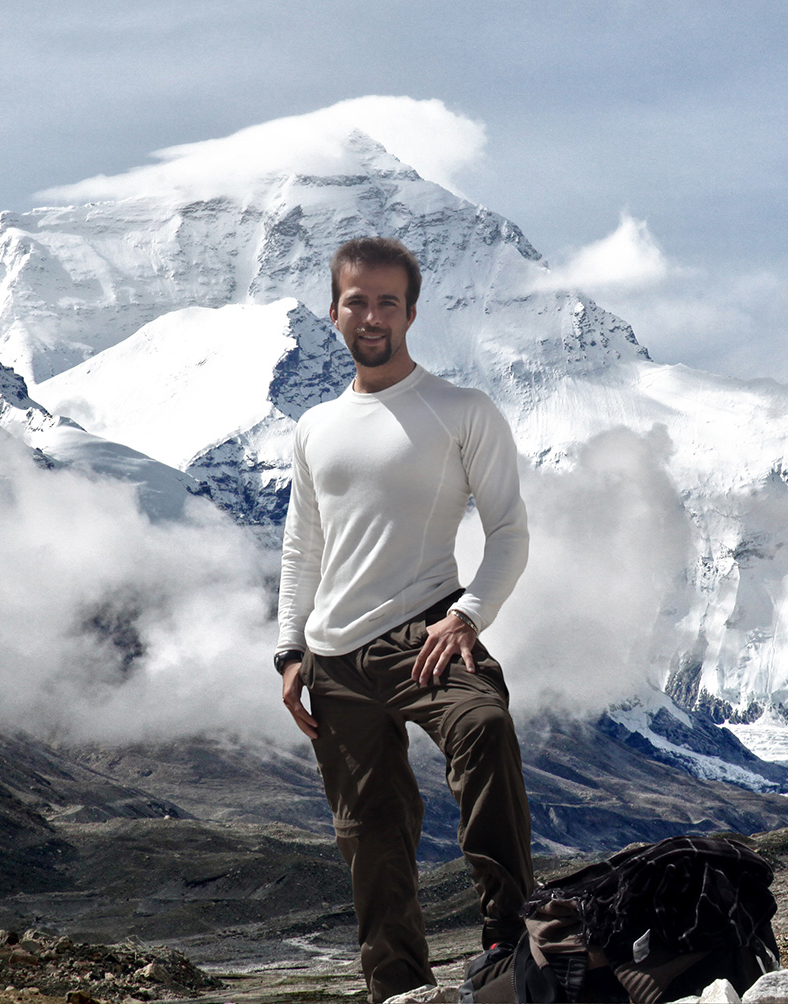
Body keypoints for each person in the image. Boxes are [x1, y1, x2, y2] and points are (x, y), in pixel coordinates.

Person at [274, 237, 536, 1003]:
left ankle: (509, 940)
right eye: (357, 299)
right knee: (371, 839)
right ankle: (398, 992)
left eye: (388, 300)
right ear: (334, 311)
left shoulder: (460, 410)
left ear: (412, 312)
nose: (372, 314)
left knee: (483, 725)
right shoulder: (315, 425)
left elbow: (510, 531)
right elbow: (302, 546)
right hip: (333, 657)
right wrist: (290, 652)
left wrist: (468, 616)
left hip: (426, 630)